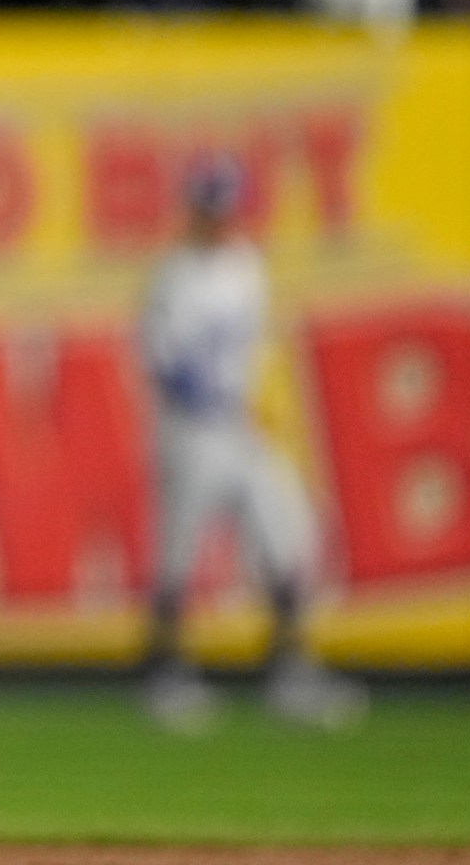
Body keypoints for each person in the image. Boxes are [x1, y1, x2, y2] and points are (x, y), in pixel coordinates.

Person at [139, 155, 367, 734]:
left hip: (240, 427)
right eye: (208, 208)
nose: (218, 220)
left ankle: (288, 671)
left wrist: (251, 410)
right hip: (191, 430)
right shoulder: (173, 275)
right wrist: (217, 407)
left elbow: (255, 353)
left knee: (285, 533)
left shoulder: (246, 268)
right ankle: (164, 672)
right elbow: (165, 365)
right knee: (179, 550)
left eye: (225, 208)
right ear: (192, 211)